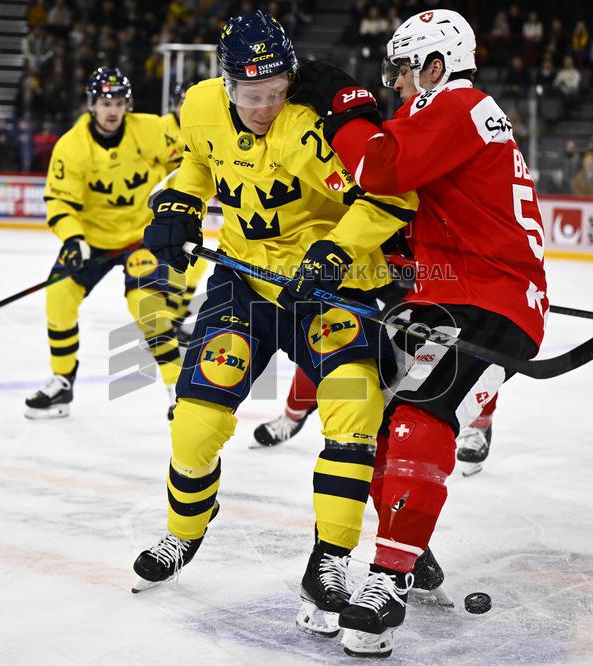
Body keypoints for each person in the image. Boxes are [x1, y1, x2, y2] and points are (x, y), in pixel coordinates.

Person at [132, 10, 418, 643]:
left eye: (277, 92)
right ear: (226, 84)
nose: (264, 107)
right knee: (197, 419)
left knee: (356, 408)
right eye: (252, 95)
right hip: (243, 282)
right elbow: (199, 166)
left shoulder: (314, 127)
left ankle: (332, 560)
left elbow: (390, 197)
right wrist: (179, 205)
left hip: (327, 289)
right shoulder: (199, 106)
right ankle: (184, 531)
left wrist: (338, 251)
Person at [292, 8, 547, 657]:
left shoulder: (459, 104)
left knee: (419, 422)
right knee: (382, 421)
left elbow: (378, 170)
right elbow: (429, 209)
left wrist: (347, 109)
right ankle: (405, 546)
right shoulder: (454, 114)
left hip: (488, 300)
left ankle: (388, 578)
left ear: (435, 65)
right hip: (454, 293)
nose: (397, 84)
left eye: (404, 70)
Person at [25, 68, 183, 419]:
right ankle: (62, 383)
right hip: (92, 242)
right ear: (92, 105)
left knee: (146, 305)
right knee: (59, 295)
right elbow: (60, 202)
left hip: (142, 237)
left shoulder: (151, 130)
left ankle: (178, 388)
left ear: (128, 105)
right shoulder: (72, 146)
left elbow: (184, 164)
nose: (112, 110)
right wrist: (73, 238)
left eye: (118, 102)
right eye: (105, 103)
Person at [159, 81, 209, 343]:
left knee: (193, 267)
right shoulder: (159, 129)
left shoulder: (202, 130)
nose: (186, 108)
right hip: (162, 214)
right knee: (172, 270)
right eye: (182, 103)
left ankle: (174, 318)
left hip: (187, 213)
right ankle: (163, 323)